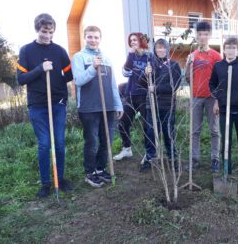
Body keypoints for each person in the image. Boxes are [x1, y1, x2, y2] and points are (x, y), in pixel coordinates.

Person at [17, 13, 74, 198]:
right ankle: (45, 183)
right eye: (43, 31)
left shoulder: (59, 51)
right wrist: (40, 69)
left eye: (50, 32)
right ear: (37, 29)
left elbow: (69, 75)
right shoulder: (26, 50)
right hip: (37, 104)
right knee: (44, 144)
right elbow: (21, 79)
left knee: (59, 142)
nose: (47, 35)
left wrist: (60, 87)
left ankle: (61, 178)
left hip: (57, 102)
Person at [71, 26, 123, 188]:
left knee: (106, 140)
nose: (93, 40)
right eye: (90, 37)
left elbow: (113, 85)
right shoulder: (79, 57)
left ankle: (100, 169)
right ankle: (90, 172)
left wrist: (117, 104)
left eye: (96, 37)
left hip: (107, 107)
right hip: (89, 107)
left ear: (100, 39)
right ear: (85, 37)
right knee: (92, 141)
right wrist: (93, 68)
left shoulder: (106, 58)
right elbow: (79, 80)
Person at [209, 37, 238, 186]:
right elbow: (212, 84)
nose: (230, 50)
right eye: (228, 47)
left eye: (233, 48)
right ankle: (227, 171)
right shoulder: (218, 66)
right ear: (224, 50)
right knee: (226, 142)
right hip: (224, 111)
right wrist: (218, 95)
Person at [139, 38, 182, 171]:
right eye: (158, 47)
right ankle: (150, 157)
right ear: (155, 50)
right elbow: (141, 83)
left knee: (168, 132)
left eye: (163, 47)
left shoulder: (174, 65)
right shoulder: (150, 64)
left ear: (168, 49)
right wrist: (144, 73)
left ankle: (172, 158)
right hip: (151, 104)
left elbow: (173, 86)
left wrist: (155, 88)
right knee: (151, 132)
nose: (161, 50)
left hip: (167, 105)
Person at [185, 21, 222, 172]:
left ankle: (215, 159)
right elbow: (188, 78)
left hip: (212, 98)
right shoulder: (192, 56)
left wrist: (217, 101)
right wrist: (188, 65)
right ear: (196, 36)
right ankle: (195, 159)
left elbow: (221, 80)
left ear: (210, 35)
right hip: (196, 97)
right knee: (195, 131)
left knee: (214, 130)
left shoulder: (216, 56)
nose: (203, 37)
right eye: (200, 34)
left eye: (205, 34)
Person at [113, 33, 150, 162]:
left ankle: (149, 152)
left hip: (144, 96)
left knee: (147, 125)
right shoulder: (131, 56)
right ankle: (127, 148)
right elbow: (126, 72)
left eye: (135, 39)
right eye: (131, 40)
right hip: (130, 94)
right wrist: (130, 54)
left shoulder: (149, 57)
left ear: (141, 41)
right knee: (123, 122)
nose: (133, 42)